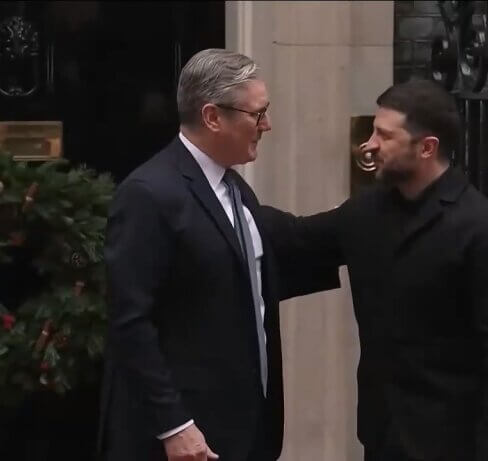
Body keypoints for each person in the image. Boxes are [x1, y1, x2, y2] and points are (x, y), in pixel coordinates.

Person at [259, 78, 488, 461]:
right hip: (382, 439)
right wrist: (225, 198)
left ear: (427, 147)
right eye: (373, 131)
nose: (369, 145)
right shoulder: (367, 212)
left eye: (385, 136)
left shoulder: (484, 232)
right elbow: (295, 237)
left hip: (453, 445)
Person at [96, 48, 339, 461]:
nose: (267, 125)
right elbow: (129, 321)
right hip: (183, 439)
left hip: (244, 429)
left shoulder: (234, 188)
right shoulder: (148, 195)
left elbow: (255, 270)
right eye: (257, 114)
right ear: (212, 117)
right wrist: (174, 426)